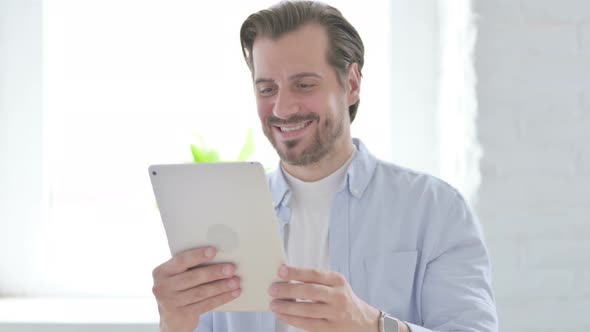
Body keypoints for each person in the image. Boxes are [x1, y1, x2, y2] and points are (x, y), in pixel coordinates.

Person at [151, 1, 498, 331]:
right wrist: (173, 324)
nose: (283, 108)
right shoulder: (221, 216)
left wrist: (372, 326)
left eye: (304, 85)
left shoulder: (433, 209)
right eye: (267, 88)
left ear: (351, 84)